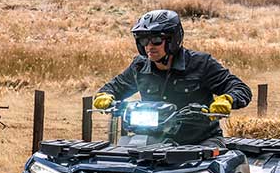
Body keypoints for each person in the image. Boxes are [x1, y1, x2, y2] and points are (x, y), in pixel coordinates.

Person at [92, 9, 252, 144]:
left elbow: (240, 88)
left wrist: (227, 99)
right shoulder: (139, 66)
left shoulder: (201, 63)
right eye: (144, 40)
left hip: (199, 141)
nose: (149, 46)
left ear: (173, 40)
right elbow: (114, 87)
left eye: (156, 40)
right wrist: (104, 96)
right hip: (153, 138)